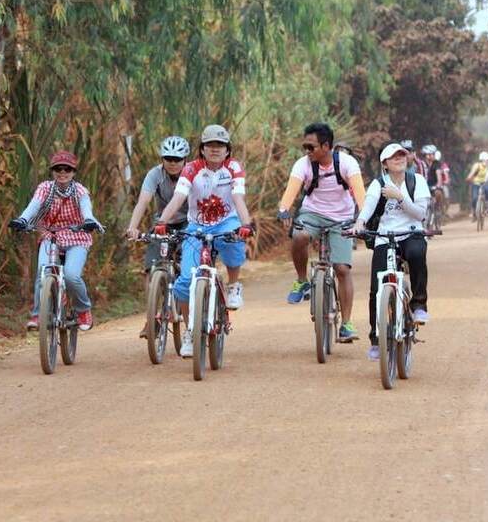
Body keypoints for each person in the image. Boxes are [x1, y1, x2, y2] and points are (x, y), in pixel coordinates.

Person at [155, 124, 254, 357]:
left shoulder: (234, 168)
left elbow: (238, 198)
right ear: (202, 149)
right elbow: (179, 197)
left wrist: (246, 224)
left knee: (233, 245)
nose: (215, 149)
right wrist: (162, 221)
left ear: (228, 149)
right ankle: (190, 331)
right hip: (196, 226)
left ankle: (233, 285)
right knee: (186, 281)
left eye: (220, 145)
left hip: (226, 222)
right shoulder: (191, 169)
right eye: (210, 145)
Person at [276, 122, 367, 342]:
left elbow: (359, 193)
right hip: (312, 213)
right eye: (305, 147)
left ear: (326, 146)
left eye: (311, 147)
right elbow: (291, 191)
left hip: (342, 218)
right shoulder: (303, 164)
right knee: (299, 236)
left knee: (342, 268)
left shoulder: (347, 163)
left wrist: (363, 218)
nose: (307, 152)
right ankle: (301, 280)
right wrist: (284, 210)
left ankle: (346, 324)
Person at [352, 142, 432, 360]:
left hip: (411, 233)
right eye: (394, 156)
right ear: (384, 164)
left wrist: (400, 197)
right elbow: (367, 208)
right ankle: (376, 340)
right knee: (376, 287)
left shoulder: (417, 181)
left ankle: (418, 305)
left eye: (402, 155)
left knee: (417, 254)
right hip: (384, 237)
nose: (399, 159)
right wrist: (360, 223)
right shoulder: (378, 185)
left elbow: (420, 215)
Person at [9, 150, 104, 331]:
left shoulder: (80, 191)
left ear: (73, 172)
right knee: (42, 273)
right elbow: (34, 205)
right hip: (50, 236)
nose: (62, 172)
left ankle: (83, 309)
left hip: (77, 237)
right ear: (52, 171)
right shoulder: (45, 188)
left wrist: (89, 221)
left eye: (67, 169)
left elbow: (86, 209)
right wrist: (23, 219)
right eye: (58, 169)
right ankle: (38, 314)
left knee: (71, 275)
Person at [126, 136, 191, 338]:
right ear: (162, 158)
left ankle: (191, 311)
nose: (172, 163)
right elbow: (143, 202)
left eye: (177, 159)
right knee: (151, 269)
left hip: (189, 223)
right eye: (168, 158)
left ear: (185, 160)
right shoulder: (155, 174)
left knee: (190, 268)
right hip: (162, 223)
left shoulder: (192, 174)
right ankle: (152, 316)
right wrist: (133, 227)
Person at [466, 151, 488, 219]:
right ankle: (474, 212)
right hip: (476, 183)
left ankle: (487, 207)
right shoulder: (477, 165)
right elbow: (471, 173)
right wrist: (469, 178)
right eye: (487, 160)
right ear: (483, 160)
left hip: (485, 183)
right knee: (474, 198)